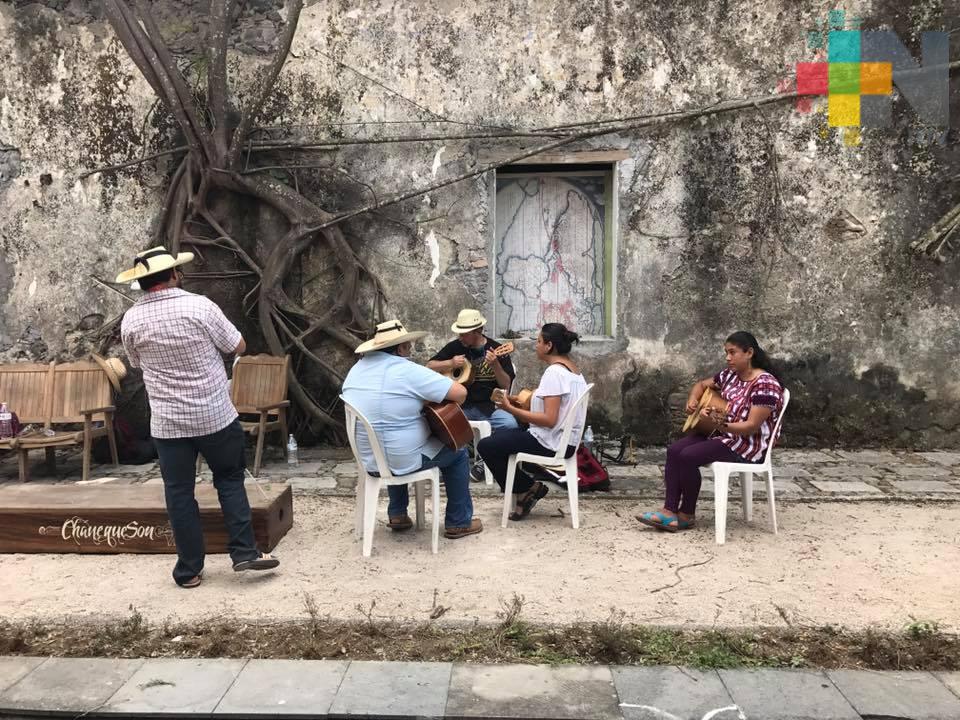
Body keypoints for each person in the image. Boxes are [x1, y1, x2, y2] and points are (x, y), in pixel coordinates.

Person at [118, 246, 279, 588]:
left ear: (142, 282)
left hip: (167, 422)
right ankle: (244, 553)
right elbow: (238, 345)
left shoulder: (131, 319)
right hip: (214, 415)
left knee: (179, 493)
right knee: (230, 480)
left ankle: (189, 569)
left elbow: (134, 363)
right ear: (174, 274)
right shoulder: (199, 306)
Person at [342, 320, 483, 539]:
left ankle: (397, 513)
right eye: (408, 345)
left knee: (391, 440)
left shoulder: (356, 370)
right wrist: (425, 399)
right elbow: (460, 393)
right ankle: (459, 522)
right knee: (458, 453)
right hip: (402, 461)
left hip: (369, 459)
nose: (410, 350)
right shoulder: (406, 369)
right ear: (399, 348)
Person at [637, 331, 785, 532]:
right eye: (726, 352)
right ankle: (669, 510)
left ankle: (686, 514)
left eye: (732, 352)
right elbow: (700, 385)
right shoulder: (730, 375)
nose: (727, 357)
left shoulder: (765, 384)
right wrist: (693, 401)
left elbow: (751, 426)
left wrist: (720, 425)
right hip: (724, 435)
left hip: (747, 445)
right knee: (674, 451)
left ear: (749, 353)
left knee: (688, 456)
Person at [477, 323, 588, 520]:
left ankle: (528, 488)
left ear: (549, 346)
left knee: (487, 446)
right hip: (566, 441)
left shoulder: (554, 373)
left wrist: (509, 409)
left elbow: (549, 419)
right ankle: (523, 492)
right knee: (505, 436)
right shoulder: (574, 371)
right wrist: (515, 402)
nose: (535, 346)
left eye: (538, 341)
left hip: (550, 443)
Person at [426, 309, 519, 433]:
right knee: (435, 425)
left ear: (478, 331)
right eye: (460, 334)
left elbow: (506, 385)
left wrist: (495, 365)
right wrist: (450, 363)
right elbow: (429, 366)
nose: (460, 337)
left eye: (464, 334)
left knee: (509, 424)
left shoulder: (497, 349)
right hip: (460, 407)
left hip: (490, 407)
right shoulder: (455, 347)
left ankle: (488, 448)